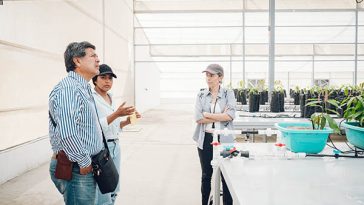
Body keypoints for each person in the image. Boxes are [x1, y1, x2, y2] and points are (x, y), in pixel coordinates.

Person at [48, 41, 104, 204]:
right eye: (93, 56)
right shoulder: (69, 89)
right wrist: (84, 161)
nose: (98, 60)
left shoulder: (83, 87)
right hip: (77, 167)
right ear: (77, 61)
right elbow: (68, 132)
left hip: (82, 165)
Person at [92, 64, 141, 205]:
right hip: (101, 149)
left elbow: (114, 126)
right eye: (103, 77)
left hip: (115, 147)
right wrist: (116, 114)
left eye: (110, 78)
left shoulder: (111, 98)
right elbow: (95, 127)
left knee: (114, 188)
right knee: (104, 190)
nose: (107, 81)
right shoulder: (91, 99)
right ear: (95, 79)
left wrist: (127, 121)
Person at [193, 64, 236, 205]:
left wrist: (208, 114)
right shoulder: (201, 95)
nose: (208, 78)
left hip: (225, 139)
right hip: (205, 139)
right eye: (207, 75)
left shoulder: (228, 94)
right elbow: (198, 118)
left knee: (226, 176)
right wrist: (220, 115)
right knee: (206, 175)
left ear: (220, 77)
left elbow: (230, 115)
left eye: (212, 75)